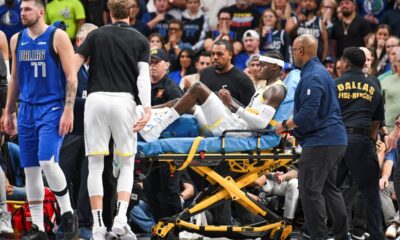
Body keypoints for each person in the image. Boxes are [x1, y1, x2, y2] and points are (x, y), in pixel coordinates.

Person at [74, 0, 152, 239]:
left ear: (108, 13)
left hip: (95, 100)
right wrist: (147, 108)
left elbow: (74, 66)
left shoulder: (96, 35)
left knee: (95, 165)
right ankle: (119, 219)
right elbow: (143, 78)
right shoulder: (140, 39)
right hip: (123, 102)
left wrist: (66, 99)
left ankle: (97, 226)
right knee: (127, 163)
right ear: (131, 12)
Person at [3, 0, 79, 239]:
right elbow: (14, 79)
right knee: (31, 170)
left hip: (52, 107)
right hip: (26, 109)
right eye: (21, 9)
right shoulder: (16, 40)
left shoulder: (57, 36)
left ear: (41, 11)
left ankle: (68, 215)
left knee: (47, 161)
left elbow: (72, 77)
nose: (22, 13)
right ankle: (38, 227)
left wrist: (69, 109)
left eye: (27, 9)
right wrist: (8, 111)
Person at [275, 34, 349, 240]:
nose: (292, 55)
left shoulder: (312, 76)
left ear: (300, 51)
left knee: (309, 191)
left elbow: (308, 114)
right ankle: (343, 236)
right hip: (334, 140)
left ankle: (318, 236)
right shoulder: (320, 73)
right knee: (329, 189)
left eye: (293, 51)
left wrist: (284, 126)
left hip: (321, 142)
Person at [335, 47, 385, 240]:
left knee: (330, 188)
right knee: (370, 192)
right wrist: (370, 142)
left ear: (346, 63)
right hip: (362, 139)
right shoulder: (373, 85)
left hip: (338, 140)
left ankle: (318, 231)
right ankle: (376, 235)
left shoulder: (335, 83)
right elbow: (376, 121)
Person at [200, 39, 255, 106]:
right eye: (213, 54)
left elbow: (249, 110)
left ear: (230, 55)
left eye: (220, 54)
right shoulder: (205, 73)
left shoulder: (243, 80)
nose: (215, 57)